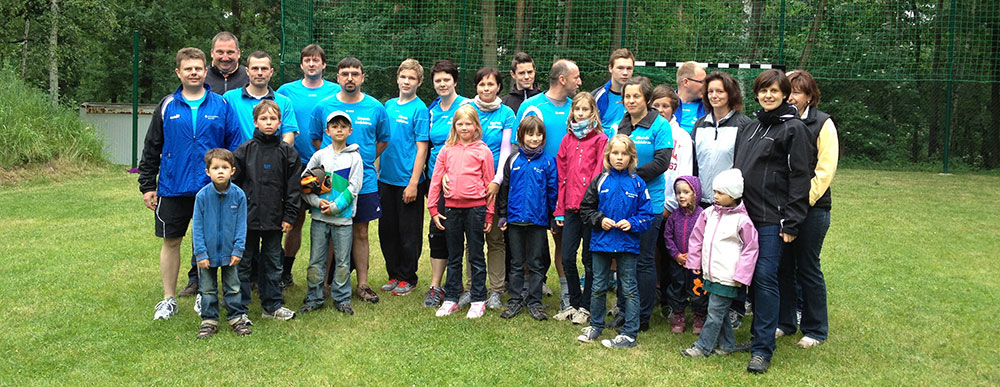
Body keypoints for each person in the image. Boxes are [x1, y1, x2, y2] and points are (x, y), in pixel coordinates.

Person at [139, 47, 242, 320]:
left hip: (211, 189)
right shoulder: (167, 106)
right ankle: (168, 298)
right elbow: (152, 148)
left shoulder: (221, 105)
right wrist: (148, 184)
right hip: (173, 186)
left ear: (205, 70)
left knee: (207, 242)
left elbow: (235, 147)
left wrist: (230, 179)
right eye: (188, 68)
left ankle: (204, 294)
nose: (194, 72)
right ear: (179, 72)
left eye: (198, 68)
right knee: (171, 241)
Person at [734, 69, 815, 374]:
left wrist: (792, 222)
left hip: (772, 219)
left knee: (766, 277)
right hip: (744, 218)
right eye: (763, 90)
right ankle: (758, 334)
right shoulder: (751, 127)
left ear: (784, 94)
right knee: (749, 277)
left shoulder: (794, 129)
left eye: (774, 91)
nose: (768, 95)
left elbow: (800, 179)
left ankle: (762, 350)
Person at [310, 57, 389, 304]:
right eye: (345, 73)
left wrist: (359, 162)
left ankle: (362, 284)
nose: (350, 78)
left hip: (363, 180)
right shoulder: (323, 106)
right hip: (331, 183)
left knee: (361, 232)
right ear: (338, 77)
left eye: (355, 73)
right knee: (331, 230)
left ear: (363, 77)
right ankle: (324, 284)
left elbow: (382, 141)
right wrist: (334, 164)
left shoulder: (376, 107)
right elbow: (315, 139)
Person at [776, 69, 838, 348]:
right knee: (783, 267)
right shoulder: (778, 120)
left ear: (810, 96)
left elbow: (824, 172)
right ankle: (786, 322)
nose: (790, 96)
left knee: (808, 268)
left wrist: (799, 205)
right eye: (787, 90)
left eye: (796, 92)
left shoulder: (823, 124)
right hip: (781, 209)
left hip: (812, 209)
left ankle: (815, 329)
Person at [515, 58, 583, 310]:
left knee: (562, 241)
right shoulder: (531, 106)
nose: (579, 81)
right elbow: (517, 145)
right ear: (562, 79)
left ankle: (567, 295)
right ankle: (524, 289)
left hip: (564, 189)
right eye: (576, 77)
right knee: (526, 238)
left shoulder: (576, 108)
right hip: (533, 187)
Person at [576, 135, 654, 349]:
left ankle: (630, 332)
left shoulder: (638, 183)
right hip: (601, 243)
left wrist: (633, 223)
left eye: (624, 154)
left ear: (632, 157)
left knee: (628, 288)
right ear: (608, 156)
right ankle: (596, 326)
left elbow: (647, 215)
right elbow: (586, 209)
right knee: (598, 286)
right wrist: (599, 220)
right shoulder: (600, 180)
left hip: (628, 244)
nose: (619, 158)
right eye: (615, 153)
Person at [690, 71, 754, 327]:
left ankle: (735, 308)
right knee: (708, 256)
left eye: (720, 91)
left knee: (730, 258)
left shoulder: (743, 124)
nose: (714, 96)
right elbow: (695, 164)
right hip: (705, 202)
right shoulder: (700, 125)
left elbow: (744, 166)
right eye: (710, 91)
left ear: (731, 94)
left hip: (731, 206)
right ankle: (705, 308)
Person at [276, 44, 341, 289]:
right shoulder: (286, 91)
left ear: (324, 65)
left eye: (316, 60)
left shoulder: (336, 91)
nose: (312, 64)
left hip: (326, 167)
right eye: (307, 60)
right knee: (294, 220)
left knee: (327, 218)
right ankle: (286, 271)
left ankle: (327, 276)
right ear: (301, 64)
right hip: (293, 166)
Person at [611, 76, 674, 332]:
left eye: (636, 96)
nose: (631, 100)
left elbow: (661, 163)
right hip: (622, 203)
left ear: (647, 99)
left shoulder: (660, 126)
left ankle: (643, 315)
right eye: (627, 96)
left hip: (649, 204)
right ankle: (624, 310)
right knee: (624, 258)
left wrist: (630, 178)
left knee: (644, 261)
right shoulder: (622, 125)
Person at [232, 100, 301, 322]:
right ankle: (239, 308)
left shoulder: (288, 153)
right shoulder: (244, 151)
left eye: (273, 119)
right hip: (247, 219)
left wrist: (290, 215)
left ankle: (272, 306)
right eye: (264, 119)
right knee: (243, 263)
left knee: (273, 262)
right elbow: (234, 186)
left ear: (280, 122)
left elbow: (293, 189)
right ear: (255, 122)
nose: (268, 123)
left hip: (275, 220)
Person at [680, 169, 759, 358]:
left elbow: (751, 250)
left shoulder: (742, 221)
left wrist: (741, 276)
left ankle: (702, 347)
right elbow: (696, 238)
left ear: (734, 195)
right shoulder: (708, 214)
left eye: (720, 193)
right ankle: (726, 345)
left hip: (728, 276)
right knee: (719, 312)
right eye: (714, 191)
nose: (715, 196)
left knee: (714, 312)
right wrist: (694, 262)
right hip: (711, 274)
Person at [428, 105, 496, 319]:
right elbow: (436, 180)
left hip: (476, 209)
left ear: (476, 126)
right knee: (454, 255)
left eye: (468, 123)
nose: (464, 127)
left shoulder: (483, 151)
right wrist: (432, 208)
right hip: (451, 209)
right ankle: (450, 299)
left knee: (476, 254)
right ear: (454, 126)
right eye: (460, 123)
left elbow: (489, 183)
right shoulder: (446, 150)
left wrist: (489, 213)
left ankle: (478, 299)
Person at [552, 91, 608, 325]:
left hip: (590, 210)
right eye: (577, 110)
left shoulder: (601, 140)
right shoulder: (567, 140)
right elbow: (561, 176)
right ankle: (572, 303)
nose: (581, 114)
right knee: (566, 257)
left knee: (588, 259)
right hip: (569, 208)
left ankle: (586, 306)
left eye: (585, 110)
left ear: (593, 112)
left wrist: (589, 203)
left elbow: (598, 173)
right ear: (572, 112)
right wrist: (559, 209)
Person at [298, 111, 363, 316]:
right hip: (319, 218)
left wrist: (335, 206)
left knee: (342, 261)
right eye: (335, 126)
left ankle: (341, 298)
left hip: (342, 219)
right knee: (316, 259)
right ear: (327, 131)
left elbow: (354, 188)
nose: (339, 130)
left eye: (343, 126)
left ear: (350, 131)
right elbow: (305, 184)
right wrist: (317, 202)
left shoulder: (355, 158)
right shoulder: (319, 156)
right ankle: (314, 297)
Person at [463, 67, 517, 309]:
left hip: (496, 183)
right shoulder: (466, 110)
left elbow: (506, 150)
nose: (486, 89)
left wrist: (496, 180)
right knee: (472, 240)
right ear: (476, 86)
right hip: (468, 184)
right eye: (482, 84)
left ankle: (495, 290)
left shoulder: (507, 113)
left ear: (498, 87)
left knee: (495, 239)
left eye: (491, 84)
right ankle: (472, 287)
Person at [496, 116, 558, 321]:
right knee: (516, 262)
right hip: (514, 220)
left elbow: (552, 192)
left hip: (538, 221)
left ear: (543, 137)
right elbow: (504, 190)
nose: (534, 138)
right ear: (521, 135)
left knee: (536, 262)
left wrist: (552, 218)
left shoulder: (549, 162)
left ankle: (535, 302)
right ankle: (514, 300)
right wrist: (503, 215)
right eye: (530, 134)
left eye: (538, 134)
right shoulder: (512, 160)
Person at [378, 59, 430, 297]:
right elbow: (381, 141)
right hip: (385, 179)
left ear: (419, 82)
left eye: (412, 78)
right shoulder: (388, 105)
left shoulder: (419, 109)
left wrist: (413, 182)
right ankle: (394, 274)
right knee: (387, 230)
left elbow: (421, 148)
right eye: (403, 77)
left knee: (408, 232)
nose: (407, 81)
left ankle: (408, 276)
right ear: (397, 78)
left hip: (407, 181)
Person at [422, 60, 469, 308]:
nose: (442, 84)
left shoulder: (467, 106)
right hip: (436, 179)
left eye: (446, 79)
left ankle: (461, 284)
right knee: (438, 231)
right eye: (438, 80)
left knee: (463, 231)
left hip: (463, 180)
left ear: (454, 81)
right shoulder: (432, 110)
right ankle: (436, 285)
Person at [192, 148, 249, 338]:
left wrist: (238, 249)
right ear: (208, 171)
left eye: (225, 167)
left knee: (233, 287)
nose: (220, 171)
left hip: (230, 252)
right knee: (207, 289)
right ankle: (209, 320)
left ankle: (236, 318)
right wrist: (200, 253)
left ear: (233, 170)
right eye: (215, 168)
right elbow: (197, 228)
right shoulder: (201, 197)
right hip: (207, 254)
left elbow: (242, 225)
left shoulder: (239, 196)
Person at [662, 176, 708, 334]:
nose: (681, 195)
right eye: (678, 192)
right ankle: (678, 315)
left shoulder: (703, 215)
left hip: (696, 265)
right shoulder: (674, 216)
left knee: (697, 291)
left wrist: (696, 256)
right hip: (678, 262)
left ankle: (699, 316)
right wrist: (676, 255)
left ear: (695, 193)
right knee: (677, 288)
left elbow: (707, 239)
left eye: (686, 192)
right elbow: (667, 237)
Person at [223, 51, 298, 145]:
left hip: (273, 158)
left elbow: (288, 136)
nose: (259, 73)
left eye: (264, 69)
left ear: (271, 72)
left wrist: (276, 155)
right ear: (247, 71)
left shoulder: (284, 102)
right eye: (255, 68)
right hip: (239, 158)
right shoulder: (229, 98)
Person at [592, 48, 634, 128]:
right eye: (620, 68)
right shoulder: (597, 97)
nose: (625, 73)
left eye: (629, 68)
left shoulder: (641, 98)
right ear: (610, 68)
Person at [674, 61, 707, 133]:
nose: (706, 86)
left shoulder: (709, 106)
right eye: (702, 82)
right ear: (685, 82)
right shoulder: (665, 103)